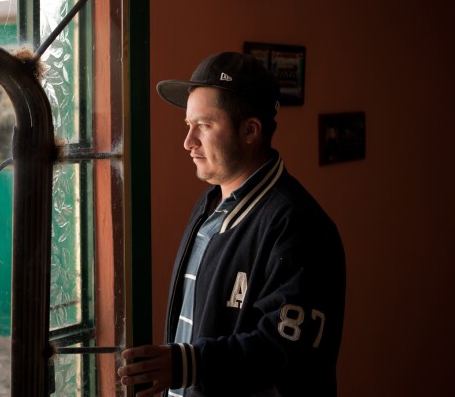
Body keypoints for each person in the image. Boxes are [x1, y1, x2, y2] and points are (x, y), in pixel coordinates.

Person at [117, 52, 346, 397]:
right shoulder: (211, 204)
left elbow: (286, 350)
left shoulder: (299, 226)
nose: (188, 142)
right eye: (188, 126)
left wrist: (183, 365)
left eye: (204, 126)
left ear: (250, 130)